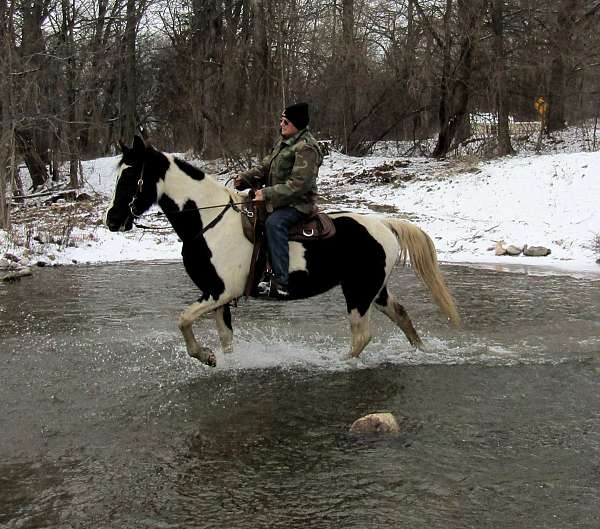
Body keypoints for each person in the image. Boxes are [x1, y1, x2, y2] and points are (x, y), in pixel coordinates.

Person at [235, 102, 323, 299]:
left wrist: (266, 194)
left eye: (286, 122)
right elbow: (266, 166)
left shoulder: (306, 148)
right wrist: (245, 178)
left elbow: (299, 185)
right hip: (279, 200)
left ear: (297, 124)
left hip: (299, 203)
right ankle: (259, 273)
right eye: (281, 120)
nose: (281, 125)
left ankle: (281, 281)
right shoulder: (284, 142)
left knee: (275, 223)